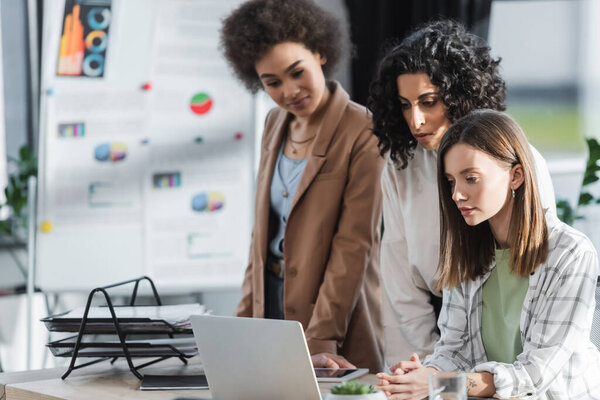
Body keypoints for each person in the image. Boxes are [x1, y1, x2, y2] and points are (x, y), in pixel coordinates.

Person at [367, 19, 556, 365]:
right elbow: (399, 280)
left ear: (460, 97)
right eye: (406, 105)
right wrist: (428, 368)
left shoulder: (520, 162)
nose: (416, 121)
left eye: (428, 102)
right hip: (430, 333)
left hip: (512, 329)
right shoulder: (399, 168)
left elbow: (540, 268)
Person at [376, 109, 600, 399]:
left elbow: (534, 375)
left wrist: (441, 383)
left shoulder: (571, 253)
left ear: (516, 176)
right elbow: (453, 353)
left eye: (470, 178)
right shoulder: (466, 251)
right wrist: (427, 374)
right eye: (451, 181)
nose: (456, 194)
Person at [220, 0, 384, 372]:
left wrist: (322, 335)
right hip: (272, 302)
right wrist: (242, 321)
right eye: (272, 83)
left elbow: (354, 245)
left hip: (334, 312)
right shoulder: (274, 124)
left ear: (320, 52)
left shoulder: (362, 130)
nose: (289, 91)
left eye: (297, 72)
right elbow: (262, 237)